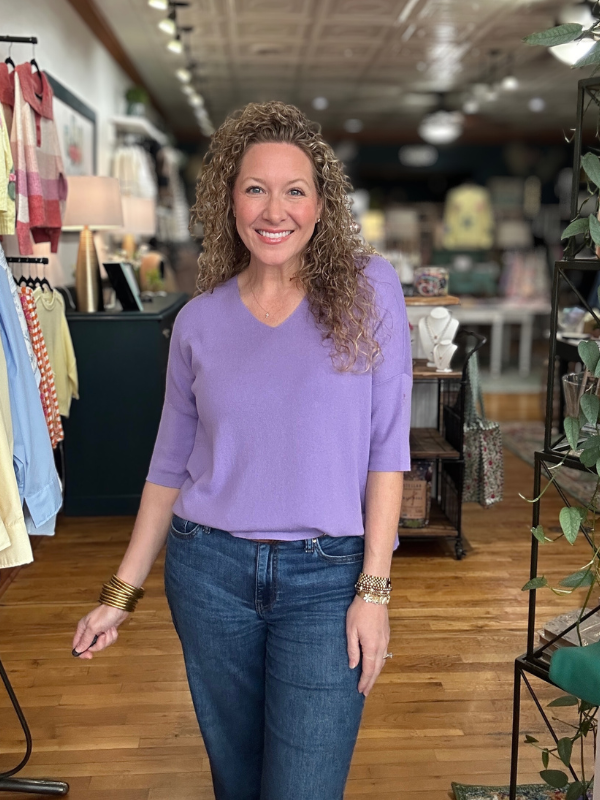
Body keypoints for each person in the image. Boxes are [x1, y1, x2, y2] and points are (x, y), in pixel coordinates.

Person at [72, 101, 412, 800]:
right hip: (209, 574)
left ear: (322, 207)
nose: (274, 209)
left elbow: (387, 445)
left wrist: (374, 590)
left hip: (327, 579)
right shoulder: (198, 322)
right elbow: (169, 464)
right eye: (255, 188)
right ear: (230, 201)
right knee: (237, 782)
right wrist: (120, 594)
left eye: (295, 190)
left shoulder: (369, 289)